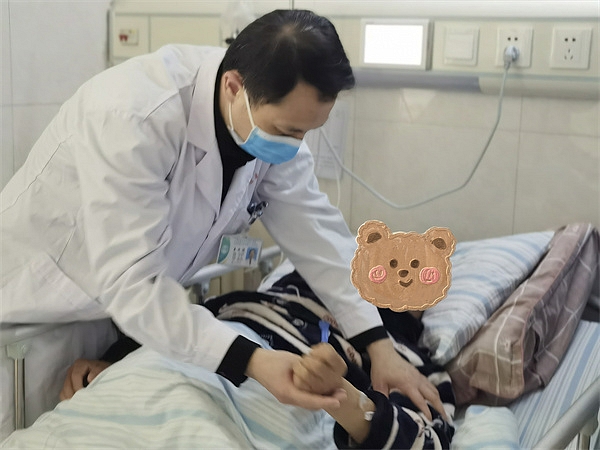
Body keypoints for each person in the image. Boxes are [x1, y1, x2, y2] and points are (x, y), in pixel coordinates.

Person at [1, 9, 444, 417]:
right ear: (234, 87)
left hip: (124, 320)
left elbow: (320, 238)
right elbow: (134, 283)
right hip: (33, 319)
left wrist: (380, 347)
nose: (295, 146)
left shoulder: (261, 123)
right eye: (287, 130)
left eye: (307, 132)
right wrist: (254, 361)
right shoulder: (132, 116)